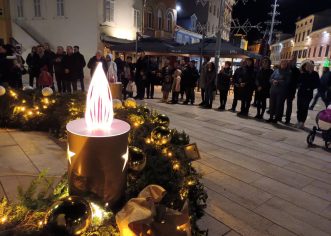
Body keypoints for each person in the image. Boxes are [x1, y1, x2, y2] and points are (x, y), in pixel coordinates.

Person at [296, 60, 320, 129]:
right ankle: (298, 121)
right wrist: (299, 85)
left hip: (308, 94)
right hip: (300, 93)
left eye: (310, 66)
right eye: (307, 66)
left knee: (304, 108)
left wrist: (310, 87)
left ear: (312, 67)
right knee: (299, 108)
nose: (308, 67)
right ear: (305, 67)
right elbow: (298, 81)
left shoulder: (315, 74)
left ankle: (302, 122)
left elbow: (317, 84)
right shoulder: (302, 73)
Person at [285, 57, 300, 124]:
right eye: (290, 61)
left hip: (291, 90)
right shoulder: (286, 68)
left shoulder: (297, 71)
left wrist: (295, 88)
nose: (291, 62)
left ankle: (287, 119)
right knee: (280, 104)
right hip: (283, 88)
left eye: (293, 61)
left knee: (289, 105)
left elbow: (297, 81)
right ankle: (278, 116)